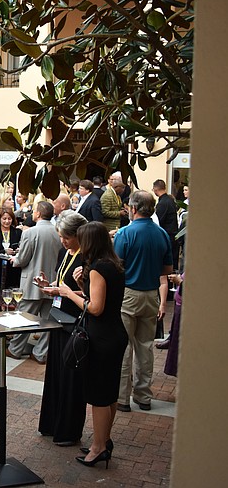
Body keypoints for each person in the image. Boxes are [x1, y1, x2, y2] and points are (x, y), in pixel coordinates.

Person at [56, 222, 128, 467]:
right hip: (116, 333)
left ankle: (98, 447)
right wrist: (80, 286)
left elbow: (95, 308)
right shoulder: (114, 265)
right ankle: (104, 440)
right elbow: (101, 299)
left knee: (98, 396)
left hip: (101, 338)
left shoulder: (98, 268)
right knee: (109, 394)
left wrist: (69, 293)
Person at [113, 190, 173, 412]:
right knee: (145, 347)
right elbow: (167, 269)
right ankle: (143, 395)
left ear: (134, 208)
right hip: (151, 293)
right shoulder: (162, 234)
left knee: (124, 346)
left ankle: (121, 397)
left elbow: (116, 268)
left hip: (128, 293)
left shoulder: (125, 234)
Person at [35, 211, 88, 446]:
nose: (63, 241)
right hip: (58, 318)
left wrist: (62, 291)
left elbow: (89, 295)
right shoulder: (63, 252)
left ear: (78, 235)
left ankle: (68, 430)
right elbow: (62, 282)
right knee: (55, 374)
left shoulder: (86, 257)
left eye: (66, 237)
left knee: (70, 378)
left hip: (74, 322)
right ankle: (51, 423)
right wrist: (51, 286)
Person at [7, 201, 63, 364]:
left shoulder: (30, 233)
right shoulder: (57, 232)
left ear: (38, 213)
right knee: (48, 321)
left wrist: (14, 259)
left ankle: (15, 348)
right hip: (51, 282)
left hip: (32, 282)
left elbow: (23, 259)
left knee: (24, 317)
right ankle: (40, 352)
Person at [0, 207, 22, 293]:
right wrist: (3, 251)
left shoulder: (18, 232)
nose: (7, 221)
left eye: (9, 219)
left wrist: (17, 250)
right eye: (4, 219)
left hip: (13, 269)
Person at [153, 179, 180, 268]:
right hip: (174, 235)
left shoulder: (162, 203)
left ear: (155, 189)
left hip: (168, 236)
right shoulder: (170, 200)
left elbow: (158, 221)